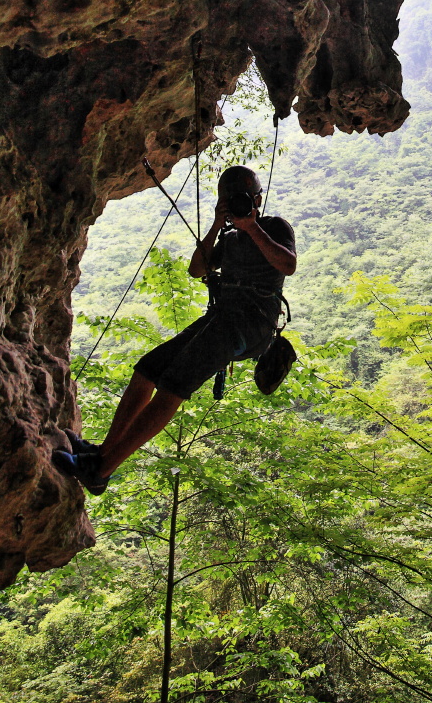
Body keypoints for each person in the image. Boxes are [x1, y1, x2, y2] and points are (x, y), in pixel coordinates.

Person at [53, 166, 296, 495]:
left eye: (243, 200)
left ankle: (100, 470)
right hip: (222, 319)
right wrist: (216, 225)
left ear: (257, 201)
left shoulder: (274, 227)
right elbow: (197, 269)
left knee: (174, 384)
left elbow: (288, 264)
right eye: (230, 202)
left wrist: (252, 227)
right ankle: (101, 453)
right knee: (147, 370)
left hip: (251, 326)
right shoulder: (228, 238)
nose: (238, 206)